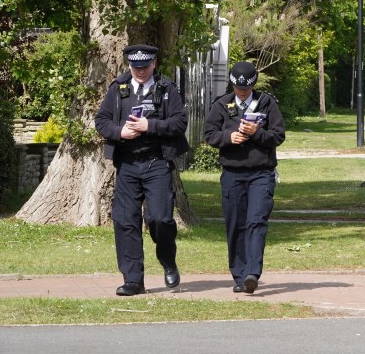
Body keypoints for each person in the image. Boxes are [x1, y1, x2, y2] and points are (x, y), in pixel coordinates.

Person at [94, 43, 189, 296]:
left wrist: (150, 126)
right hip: (127, 164)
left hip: (156, 162)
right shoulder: (118, 88)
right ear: (129, 66)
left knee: (159, 218)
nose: (141, 72)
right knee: (125, 222)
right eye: (136, 67)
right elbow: (101, 120)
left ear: (154, 63)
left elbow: (180, 122)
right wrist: (119, 132)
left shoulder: (167, 88)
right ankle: (133, 280)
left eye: (145, 66)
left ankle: (168, 260)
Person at [203, 61, 286, 294]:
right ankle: (239, 276)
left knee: (256, 221)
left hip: (261, 173)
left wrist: (256, 133)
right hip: (232, 173)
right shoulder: (221, 105)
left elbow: (278, 136)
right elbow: (209, 134)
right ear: (232, 84)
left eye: (246, 89)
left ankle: (252, 273)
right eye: (239, 89)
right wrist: (229, 138)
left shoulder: (267, 103)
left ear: (253, 85)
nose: (242, 93)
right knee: (235, 225)